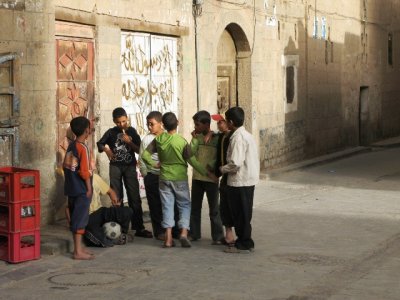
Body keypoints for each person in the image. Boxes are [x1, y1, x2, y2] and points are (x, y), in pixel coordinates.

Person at [141, 112, 215, 248]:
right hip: (180, 178)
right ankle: (183, 233)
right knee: (184, 206)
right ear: (177, 123)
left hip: (163, 178)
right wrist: (207, 173)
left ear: (163, 124)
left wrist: (154, 164)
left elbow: (145, 155)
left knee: (167, 207)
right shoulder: (181, 142)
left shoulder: (159, 139)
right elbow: (192, 161)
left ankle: (168, 238)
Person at [97, 107, 152, 238]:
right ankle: (120, 228)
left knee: (134, 197)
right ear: (114, 121)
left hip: (130, 167)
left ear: (127, 118)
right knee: (117, 197)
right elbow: (99, 144)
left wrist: (130, 142)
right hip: (115, 167)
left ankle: (139, 227)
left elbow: (139, 150)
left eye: (123, 121)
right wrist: (107, 150)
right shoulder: (111, 132)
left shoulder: (132, 131)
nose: (121, 124)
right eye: (118, 122)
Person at [220, 107, 260, 254]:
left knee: (241, 213)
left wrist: (222, 169)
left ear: (231, 122)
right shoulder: (246, 135)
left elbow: (236, 163)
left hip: (240, 181)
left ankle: (244, 243)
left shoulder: (238, 138)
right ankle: (244, 240)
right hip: (246, 180)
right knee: (243, 213)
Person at [189, 111, 224, 244]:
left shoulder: (216, 138)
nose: (195, 127)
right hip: (197, 178)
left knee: (214, 209)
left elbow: (219, 156)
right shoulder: (197, 138)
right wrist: (193, 139)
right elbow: (190, 154)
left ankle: (218, 236)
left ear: (206, 124)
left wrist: (212, 169)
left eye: (197, 125)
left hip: (211, 179)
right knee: (195, 208)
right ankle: (194, 233)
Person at [63, 116, 93, 260]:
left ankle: (79, 248)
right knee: (80, 219)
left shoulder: (71, 145)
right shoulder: (83, 148)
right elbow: (84, 171)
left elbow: (66, 166)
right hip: (81, 189)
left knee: (76, 217)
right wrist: (89, 188)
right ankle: (77, 252)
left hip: (71, 187)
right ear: (87, 130)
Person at [84, 173, 134, 247]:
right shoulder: (75, 180)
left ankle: (121, 233)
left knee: (127, 211)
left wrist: (115, 203)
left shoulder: (94, 177)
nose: (93, 164)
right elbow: (67, 209)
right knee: (100, 240)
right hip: (87, 217)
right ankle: (112, 240)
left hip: (100, 211)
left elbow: (110, 191)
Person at [138, 111, 167, 240]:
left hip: (166, 176)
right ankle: (159, 231)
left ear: (161, 124)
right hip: (152, 177)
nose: (149, 127)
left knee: (166, 204)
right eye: (148, 124)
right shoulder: (147, 139)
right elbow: (142, 159)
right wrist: (146, 175)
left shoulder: (167, 137)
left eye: (152, 124)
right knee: (154, 205)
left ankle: (170, 230)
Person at [212, 114, 235, 246]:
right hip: (223, 174)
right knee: (224, 205)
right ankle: (228, 234)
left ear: (228, 123)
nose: (218, 125)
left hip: (231, 173)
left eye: (221, 122)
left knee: (230, 205)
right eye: (217, 123)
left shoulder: (233, 137)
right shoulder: (220, 136)